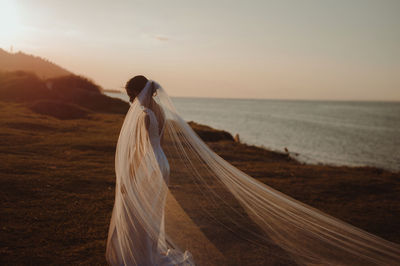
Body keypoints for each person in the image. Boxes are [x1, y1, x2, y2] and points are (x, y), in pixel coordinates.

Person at [106, 76, 400, 266]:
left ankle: (140, 258)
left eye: (130, 93)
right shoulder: (159, 111)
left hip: (148, 164)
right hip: (162, 163)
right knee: (151, 212)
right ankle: (146, 255)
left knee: (138, 209)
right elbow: (160, 144)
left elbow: (140, 150)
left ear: (136, 92)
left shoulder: (143, 114)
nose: (130, 98)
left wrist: (127, 178)